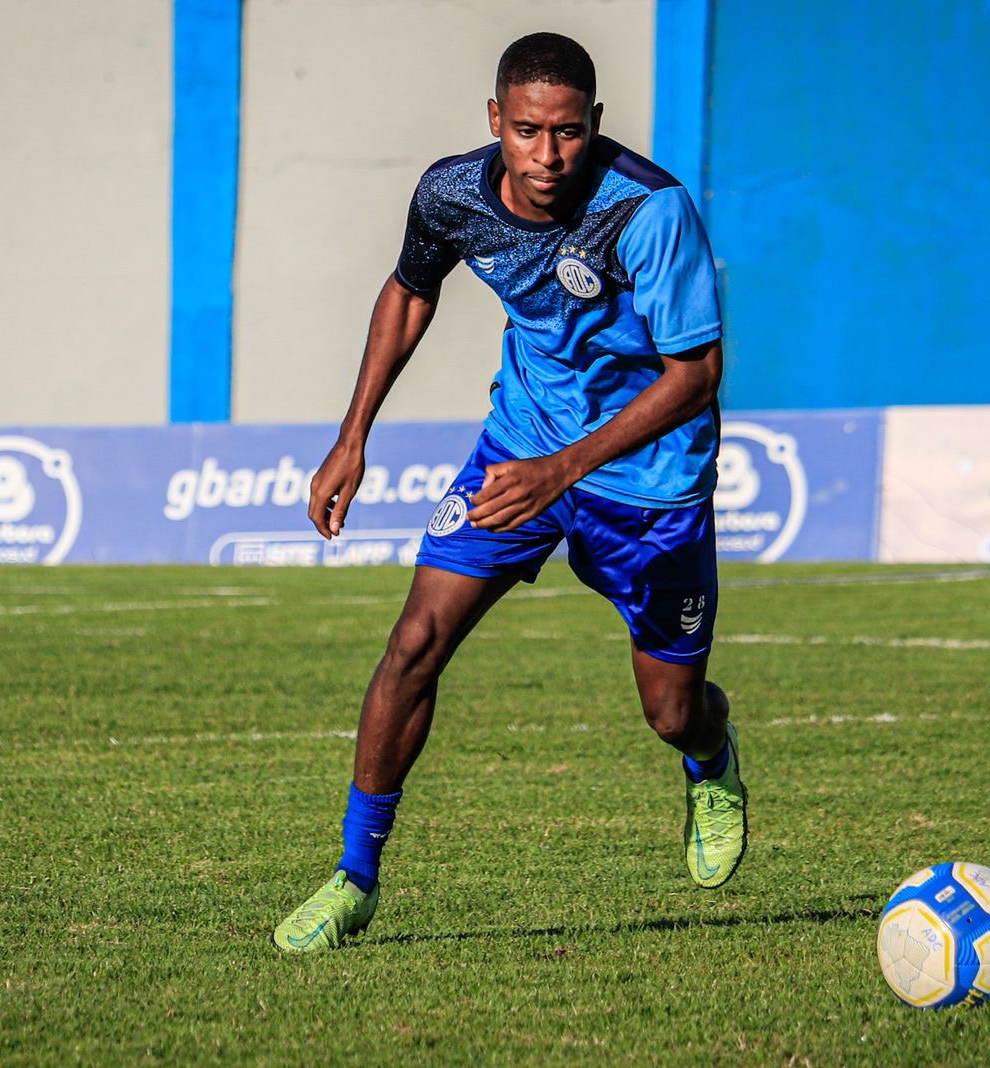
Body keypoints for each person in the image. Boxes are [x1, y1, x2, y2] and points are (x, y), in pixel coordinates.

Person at [273, 31, 745, 952]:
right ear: (497, 121)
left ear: (594, 125)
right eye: (527, 131)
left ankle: (712, 763)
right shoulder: (451, 192)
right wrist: (351, 436)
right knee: (414, 642)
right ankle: (353, 878)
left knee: (670, 709)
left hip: (648, 481)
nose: (547, 156)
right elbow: (411, 292)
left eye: (568, 133)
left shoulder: (650, 210)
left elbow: (695, 375)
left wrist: (564, 472)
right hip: (519, 446)